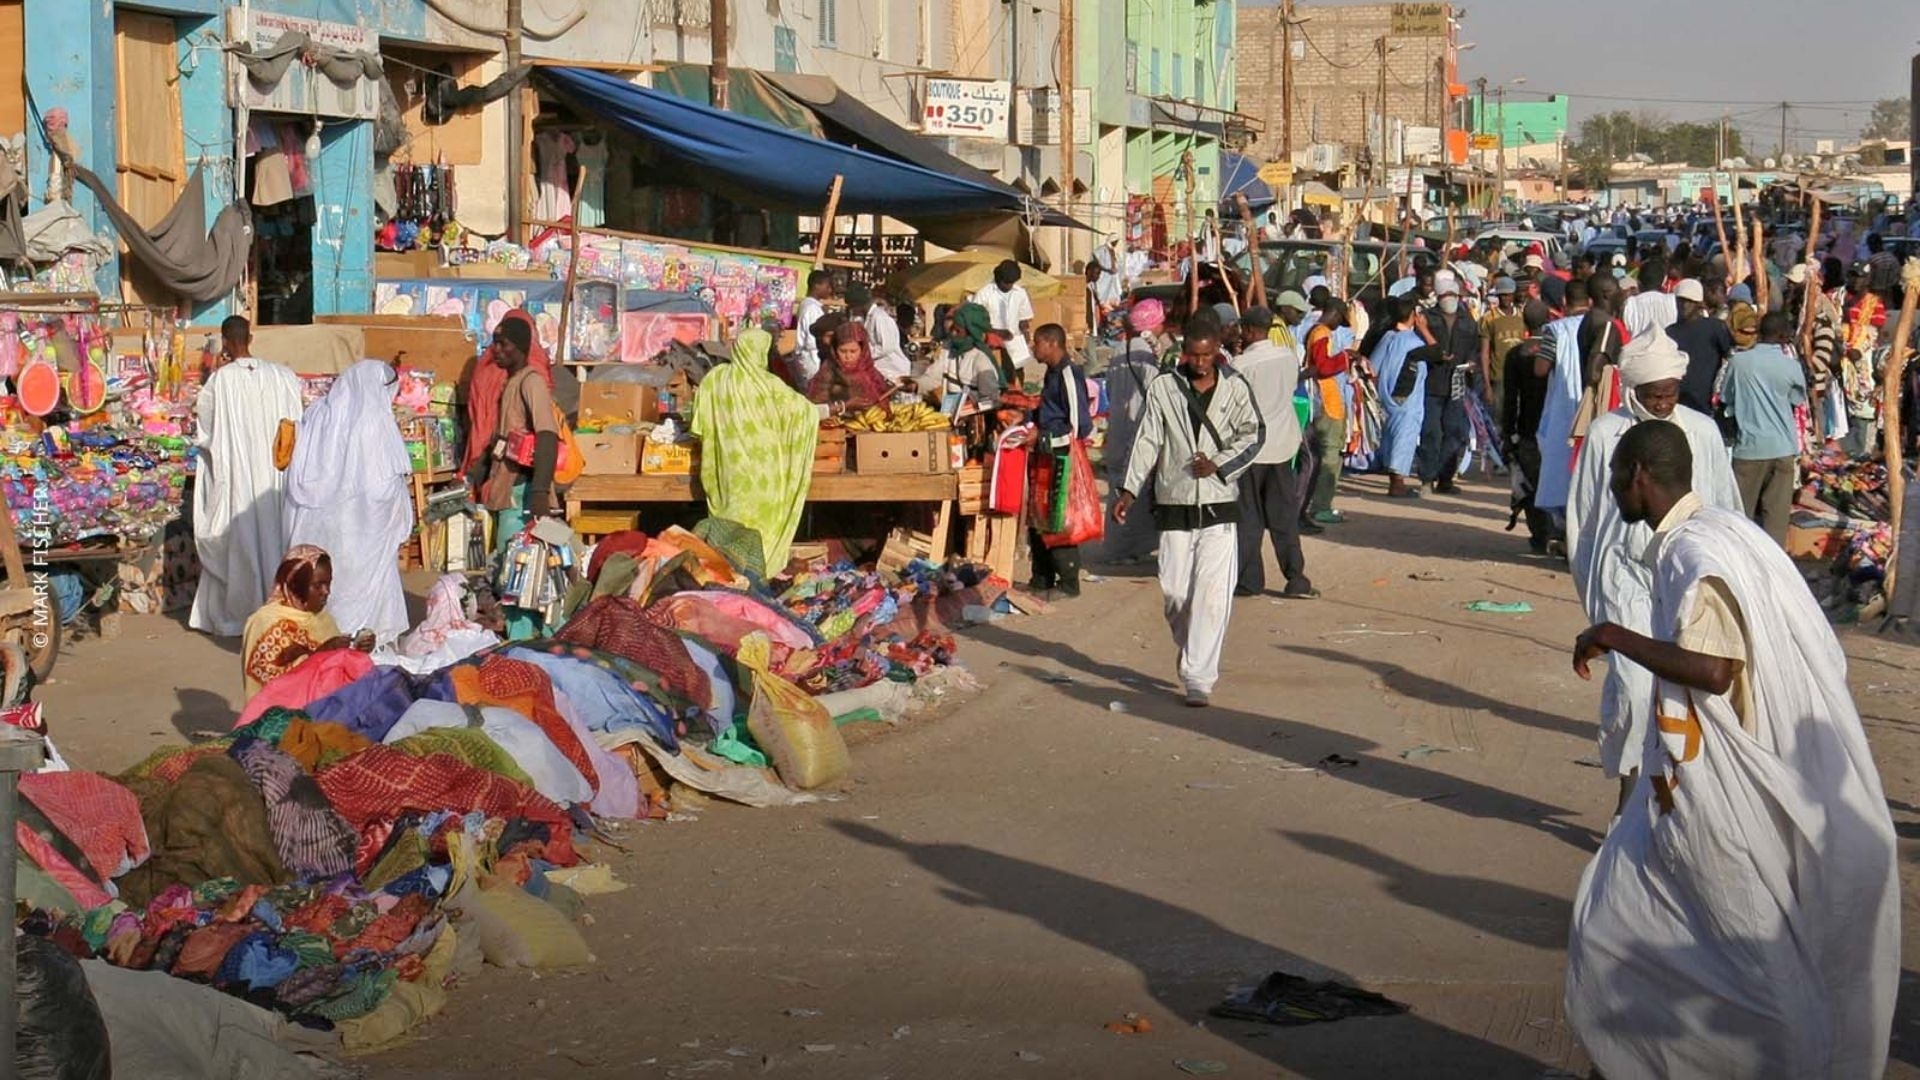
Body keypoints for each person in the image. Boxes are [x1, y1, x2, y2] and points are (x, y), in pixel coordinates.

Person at [1566, 420, 1898, 1080]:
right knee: (1619, 930)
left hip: (1720, 794)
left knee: (1736, 965)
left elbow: (1715, 669)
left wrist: (1612, 634)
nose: (1608, 489)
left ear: (1638, 475)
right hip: (1692, 776)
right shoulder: (1723, 531)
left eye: (1613, 477)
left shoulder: (1697, 552)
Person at [1566, 330, 1740, 811]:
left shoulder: (1701, 431)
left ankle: (1679, 796)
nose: (1662, 403)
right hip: (1622, 572)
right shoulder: (1606, 433)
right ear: (1632, 390)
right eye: (1652, 395)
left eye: (1669, 393)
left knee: (1683, 687)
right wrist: (1591, 588)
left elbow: (1725, 502)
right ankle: (1628, 792)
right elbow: (1584, 515)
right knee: (1634, 686)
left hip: (1684, 572)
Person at [1113, 314, 1262, 707]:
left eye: (1208, 355)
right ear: (1184, 352)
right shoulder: (1165, 388)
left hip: (1219, 505)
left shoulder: (1236, 388)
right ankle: (1191, 646)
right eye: (1194, 355)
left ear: (1218, 351)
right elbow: (1147, 438)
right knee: (1176, 593)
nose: (1201, 363)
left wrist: (1221, 463)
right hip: (1174, 504)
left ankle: (1199, 677)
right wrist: (1128, 490)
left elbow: (1253, 434)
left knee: (1212, 596)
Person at [283, 359, 414, 645]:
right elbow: (383, 488)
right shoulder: (375, 423)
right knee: (359, 587)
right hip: (363, 528)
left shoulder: (318, 413)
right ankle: (358, 644)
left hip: (321, 525)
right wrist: (398, 518)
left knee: (326, 584)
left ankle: (319, 640)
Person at [190, 316, 303, 637]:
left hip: (238, 474)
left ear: (225, 341)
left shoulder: (220, 381)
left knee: (239, 540)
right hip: (275, 474)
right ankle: (280, 604)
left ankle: (240, 612)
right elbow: (295, 423)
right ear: (250, 337)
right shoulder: (282, 376)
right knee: (275, 536)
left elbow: (206, 429)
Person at [691, 328, 819, 573]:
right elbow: (806, 413)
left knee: (730, 521)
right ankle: (760, 571)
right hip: (765, 476)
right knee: (762, 529)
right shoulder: (770, 385)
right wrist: (839, 407)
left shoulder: (715, 379)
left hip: (728, 470)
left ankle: (725, 569)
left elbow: (698, 427)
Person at [471, 315, 560, 640]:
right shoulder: (512, 382)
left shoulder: (531, 382)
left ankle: (530, 639)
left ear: (520, 347)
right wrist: (475, 474)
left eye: (503, 343)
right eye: (494, 342)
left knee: (520, 569)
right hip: (507, 489)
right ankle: (533, 636)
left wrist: (538, 493)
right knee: (520, 569)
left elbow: (547, 436)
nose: (496, 349)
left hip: (523, 492)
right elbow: (502, 439)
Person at [1229, 307, 1315, 599]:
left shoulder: (1241, 364)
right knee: (1284, 518)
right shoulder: (1288, 357)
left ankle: (1249, 579)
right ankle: (1296, 577)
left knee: (1249, 518)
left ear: (1250, 330)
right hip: (1281, 445)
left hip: (1250, 448)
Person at [240, 545, 374, 700]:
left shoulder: (322, 618)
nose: (326, 591)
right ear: (296, 585)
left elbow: (336, 673)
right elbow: (270, 683)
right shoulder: (266, 622)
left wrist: (357, 649)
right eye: (317, 585)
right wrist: (321, 654)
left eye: (328, 583)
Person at [1721, 312, 1807, 547]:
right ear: (1782, 336)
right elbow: (1796, 399)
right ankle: (1773, 571)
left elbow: (1727, 398)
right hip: (1782, 448)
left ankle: (1741, 568)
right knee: (1776, 520)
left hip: (1749, 449)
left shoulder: (1738, 363)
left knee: (1741, 517)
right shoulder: (1791, 367)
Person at [1102, 300, 1173, 563]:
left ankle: (1124, 548)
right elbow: (1156, 392)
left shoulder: (1121, 349)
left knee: (1119, 488)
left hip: (1119, 427)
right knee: (1134, 490)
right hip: (1137, 430)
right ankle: (1125, 550)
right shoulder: (1146, 354)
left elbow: (1110, 390)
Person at [1026, 325, 1093, 597]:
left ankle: (1069, 583)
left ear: (1052, 343)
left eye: (1037, 343)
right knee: (1038, 514)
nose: (1034, 348)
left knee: (1059, 518)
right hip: (1045, 453)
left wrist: (1042, 438)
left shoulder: (1068, 374)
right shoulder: (1051, 374)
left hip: (1062, 456)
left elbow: (1078, 426)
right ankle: (1041, 578)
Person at [1502, 301, 1557, 554]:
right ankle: (1558, 532)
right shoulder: (1558, 350)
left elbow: (1510, 398)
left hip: (1527, 428)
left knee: (1532, 484)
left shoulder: (1516, 354)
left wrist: (1507, 432)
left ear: (1524, 322)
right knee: (1554, 480)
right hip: (1555, 426)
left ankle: (1540, 535)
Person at [1417, 282, 1478, 494]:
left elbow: (1474, 348)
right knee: (1431, 432)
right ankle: (1426, 479)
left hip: (1458, 383)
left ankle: (1446, 478)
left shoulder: (1467, 321)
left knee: (1454, 432)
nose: (1450, 298)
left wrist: (1471, 363)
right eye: (1446, 294)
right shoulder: (1427, 318)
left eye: (1454, 294)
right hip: (1433, 383)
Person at [1301, 299, 1356, 525]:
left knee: (1324, 454)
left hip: (1326, 399)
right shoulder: (1321, 333)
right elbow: (1323, 366)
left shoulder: (1316, 331)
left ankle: (1318, 504)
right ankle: (1321, 506)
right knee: (1330, 455)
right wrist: (1346, 357)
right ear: (1333, 314)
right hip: (1326, 401)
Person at [1666, 277, 1734, 415]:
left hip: (1705, 405)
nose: (1684, 305)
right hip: (1676, 404)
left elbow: (1730, 359)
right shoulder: (1669, 332)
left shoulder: (1715, 328)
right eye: (1681, 301)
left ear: (1698, 303)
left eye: (1689, 302)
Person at [917, 302, 1001, 405]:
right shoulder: (947, 351)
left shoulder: (981, 359)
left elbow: (992, 400)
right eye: (953, 329)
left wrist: (967, 405)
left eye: (958, 331)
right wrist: (916, 385)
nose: (953, 334)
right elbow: (933, 378)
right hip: (949, 412)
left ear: (971, 332)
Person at [971, 259, 1036, 383]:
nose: (1008, 286)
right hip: (992, 344)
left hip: (1015, 344)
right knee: (995, 376)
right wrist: (997, 332)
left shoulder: (1020, 293)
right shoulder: (984, 294)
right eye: (1006, 283)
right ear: (998, 278)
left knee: (1017, 376)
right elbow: (975, 322)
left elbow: (1023, 319)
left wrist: (1026, 338)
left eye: (1011, 283)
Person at [807, 321, 895, 413]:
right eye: (843, 351)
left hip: (874, 420)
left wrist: (899, 386)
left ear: (863, 350)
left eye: (853, 351)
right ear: (835, 349)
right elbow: (816, 405)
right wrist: (845, 405)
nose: (848, 356)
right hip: (840, 423)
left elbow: (882, 391)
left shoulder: (867, 367)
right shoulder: (828, 369)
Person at [1479, 277, 1527, 424]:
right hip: (1499, 376)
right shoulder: (1488, 318)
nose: (1506, 298)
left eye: (1509, 294)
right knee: (1499, 418)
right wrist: (1487, 385)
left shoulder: (1522, 315)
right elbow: (1485, 353)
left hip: (1521, 376)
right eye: (1503, 295)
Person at [848, 283, 910, 381]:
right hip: (882, 372)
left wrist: (865, 354)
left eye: (852, 306)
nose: (852, 310)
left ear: (858, 304)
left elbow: (887, 347)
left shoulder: (880, 317)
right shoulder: (868, 318)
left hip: (894, 372)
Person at [791, 270, 834, 386]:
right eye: (827, 286)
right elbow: (812, 339)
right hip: (812, 358)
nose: (830, 290)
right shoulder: (812, 309)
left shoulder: (810, 305)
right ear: (817, 285)